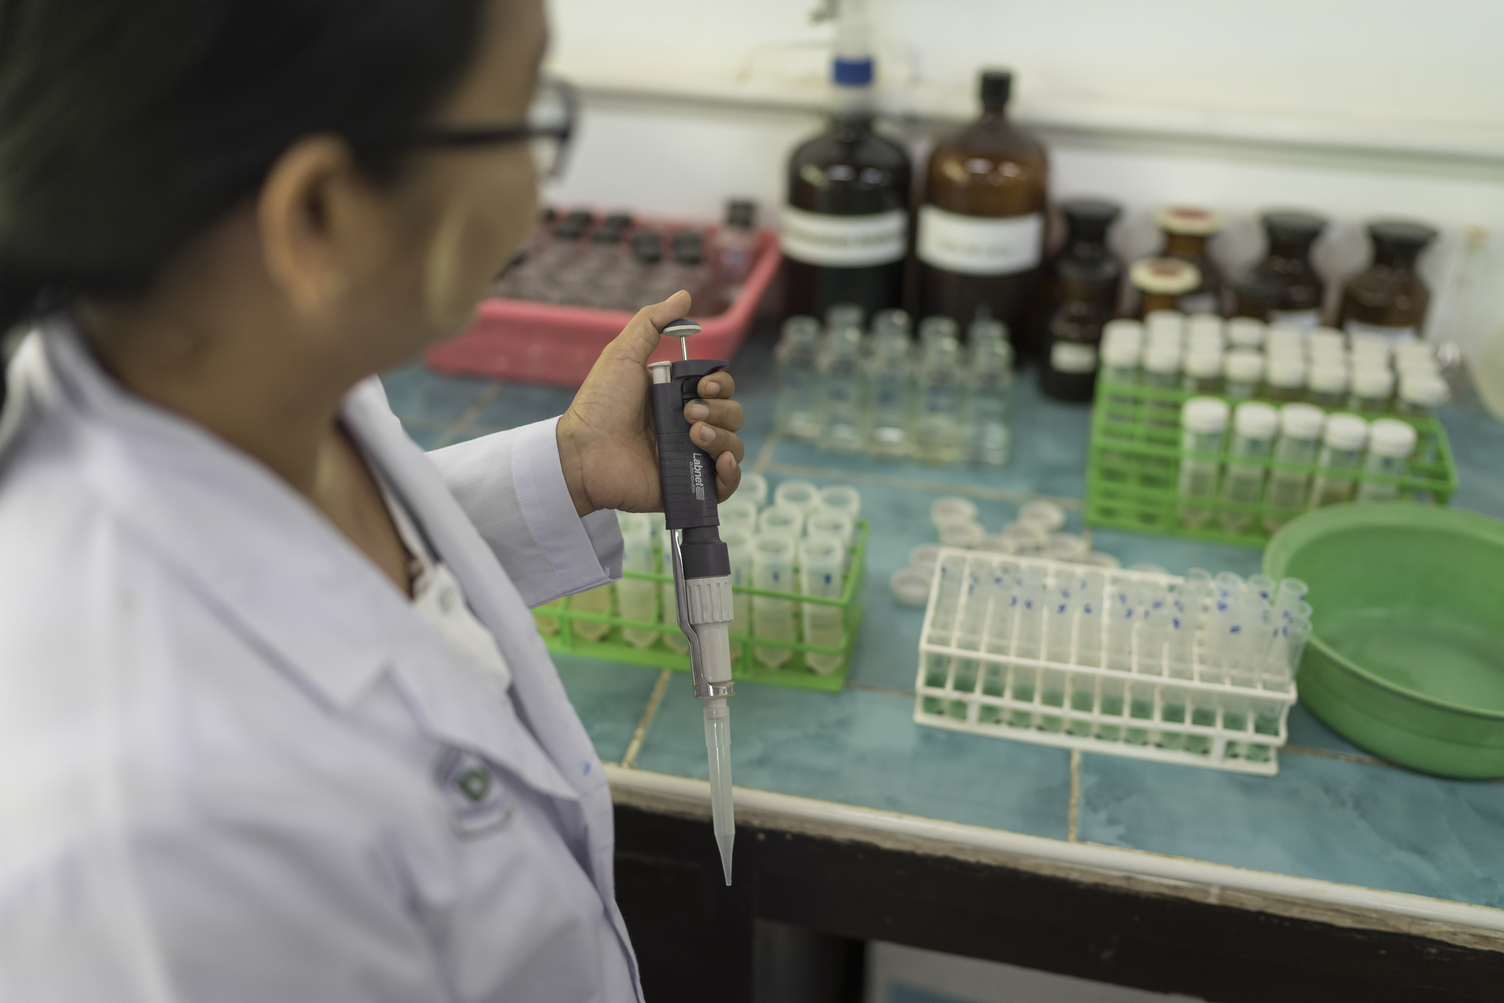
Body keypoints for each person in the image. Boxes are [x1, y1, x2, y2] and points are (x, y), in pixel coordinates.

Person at [0, 0, 746, 999]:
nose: (535, 194)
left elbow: (315, 567)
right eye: (525, 121)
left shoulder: (250, 375)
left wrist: (568, 467)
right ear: (319, 214)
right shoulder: (168, 843)